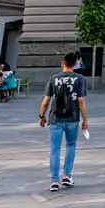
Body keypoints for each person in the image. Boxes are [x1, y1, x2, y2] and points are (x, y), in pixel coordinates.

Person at [39, 52, 89, 192]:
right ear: (75, 64)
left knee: (54, 148)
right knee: (71, 145)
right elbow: (81, 100)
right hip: (72, 117)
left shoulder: (53, 79)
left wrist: (42, 116)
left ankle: (54, 181)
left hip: (55, 118)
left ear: (63, 63)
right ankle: (67, 175)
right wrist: (85, 120)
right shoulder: (80, 79)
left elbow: (46, 101)